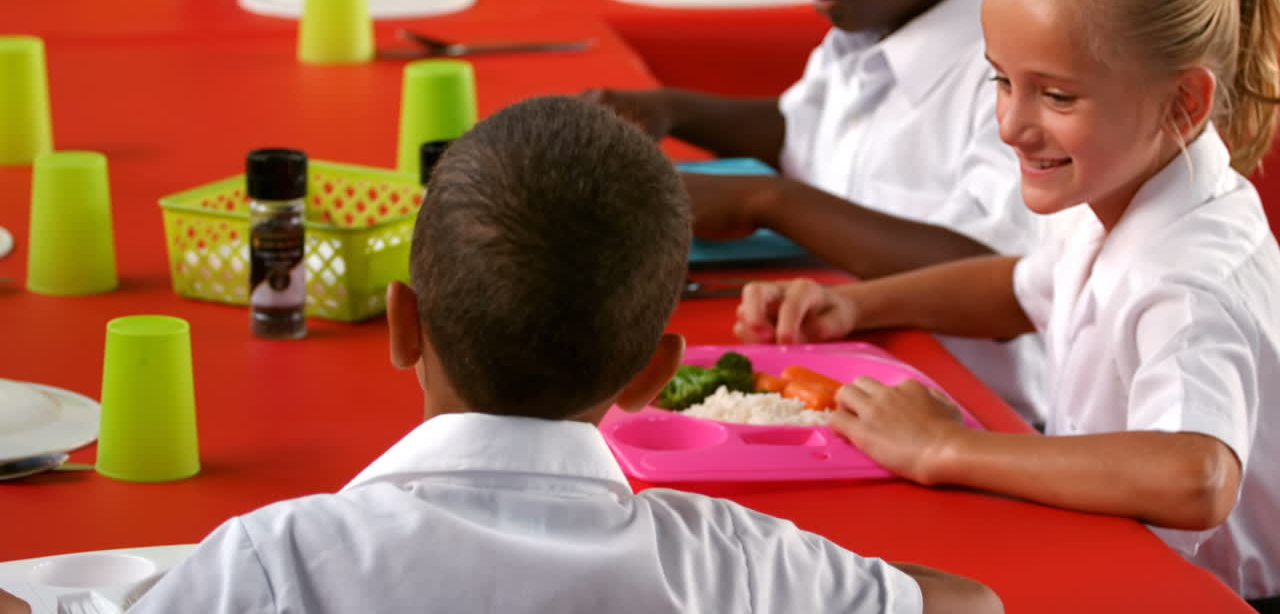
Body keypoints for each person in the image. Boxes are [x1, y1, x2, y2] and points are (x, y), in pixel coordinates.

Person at [96, 97, 999, 613]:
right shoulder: (732, 563)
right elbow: (971, 605)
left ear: (403, 325)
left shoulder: (278, 560)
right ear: (656, 373)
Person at [733, 0, 1280, 606]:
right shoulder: (1123, 183)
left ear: (1183, 103)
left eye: (1055, 96)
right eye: (1000, 80)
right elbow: (1023, 285)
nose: (1011, 125)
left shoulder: (1192, 274)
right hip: (1115, 554)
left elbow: (1196, 477)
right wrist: (855, 305)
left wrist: (945, 448)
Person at [587, 0, 1047, 424]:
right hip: (851, 364)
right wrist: (674, 109)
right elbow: (804, 129)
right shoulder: (884, 12)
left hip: (971, 409)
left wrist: (764, 200)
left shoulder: (1012, 68)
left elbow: (1002, 283)